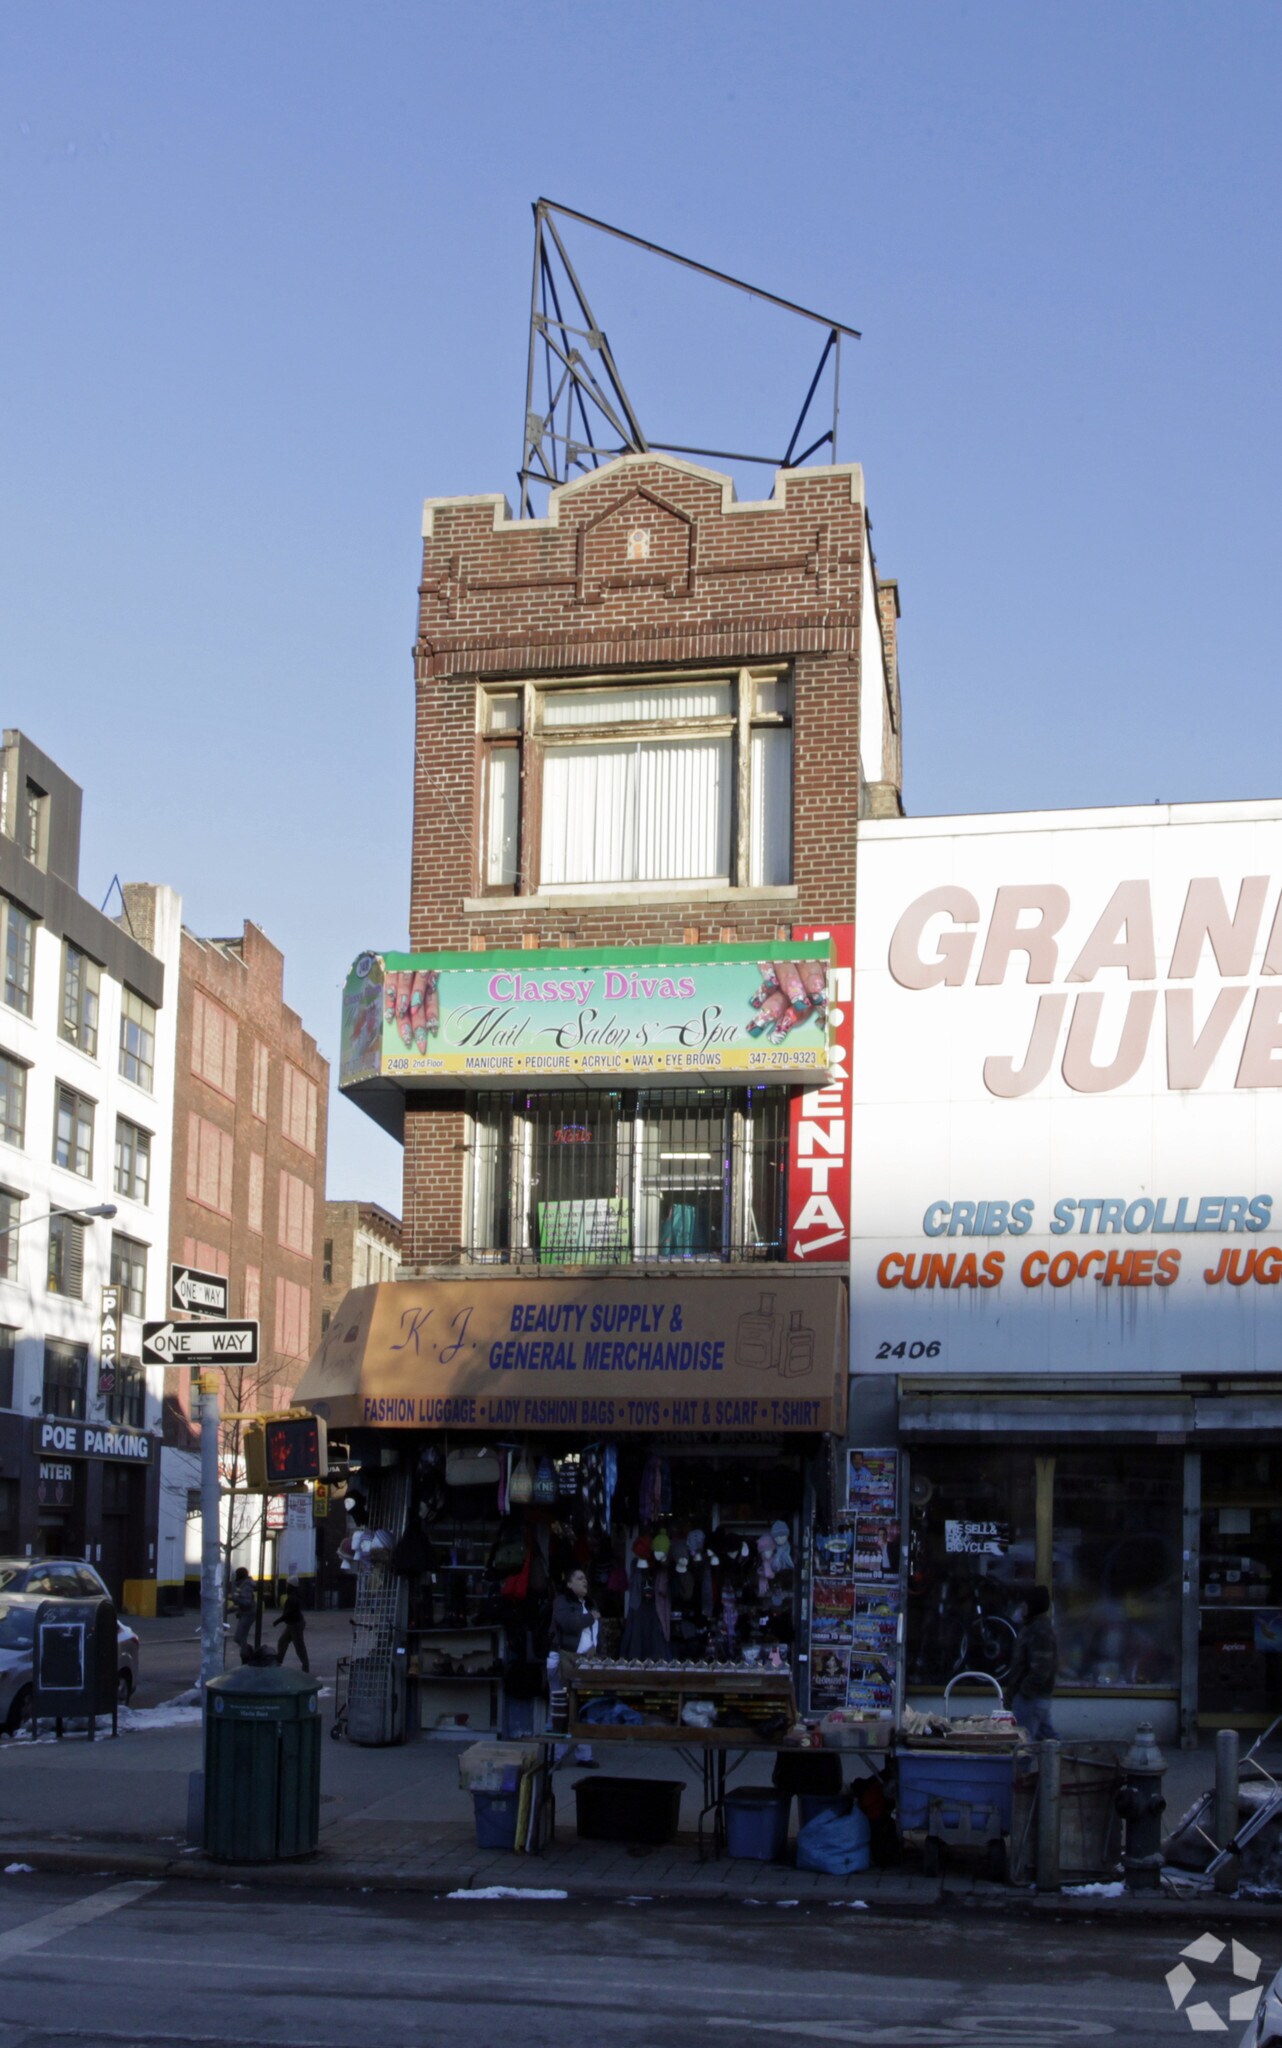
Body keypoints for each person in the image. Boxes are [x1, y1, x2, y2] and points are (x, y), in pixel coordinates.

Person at [551, 1567, 598, 1766]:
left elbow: (596, 1631)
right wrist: (591, 1617)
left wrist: (596, 1648)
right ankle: (556, 1755)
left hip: (586, 1661)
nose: (584, 1581)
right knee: (562, 1707)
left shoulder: (590, 1603)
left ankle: (584, 1755)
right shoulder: (562, 1602)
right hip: (567, 1658)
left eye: (585, 1578)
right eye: (579, 1578)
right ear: (569, 1583)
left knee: (584, 1707)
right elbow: (569, 1624)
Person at [1005, 1584, 1058, 1739]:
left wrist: (1024, 1692)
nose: (1021, 1607)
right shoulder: (1034, 1627)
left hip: (1031, 1700)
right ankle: (1065, 1754)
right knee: (1049, 1740)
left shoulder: (1038, 1630)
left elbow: (1041, 1668)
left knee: (1021, 1741)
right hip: (1035, 1699)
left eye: (1025, 1604)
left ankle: (1066, 1752)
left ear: (1033, 1606)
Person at [274, 1573, 309, 1672]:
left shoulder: (292, 1598)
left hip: (295, 1624)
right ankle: (278, 1661)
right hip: (293, 1624)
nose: (286, 1586)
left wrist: (278, 1621)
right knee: (282, 1641)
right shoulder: (293, 1596)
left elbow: (289, 1613)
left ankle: (305, 1667)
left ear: (291, 1586)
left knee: (299, 1646)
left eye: (287, 1584)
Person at [229, 1566, 256, 1662]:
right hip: (245, 1612)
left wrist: (234, 1599)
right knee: (239, 1637)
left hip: (248, 1613)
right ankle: (247, 1652)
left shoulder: (246, 1586)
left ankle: (246, 1654)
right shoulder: (241, 1584)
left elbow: (246, 1602)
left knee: (240, 1637)